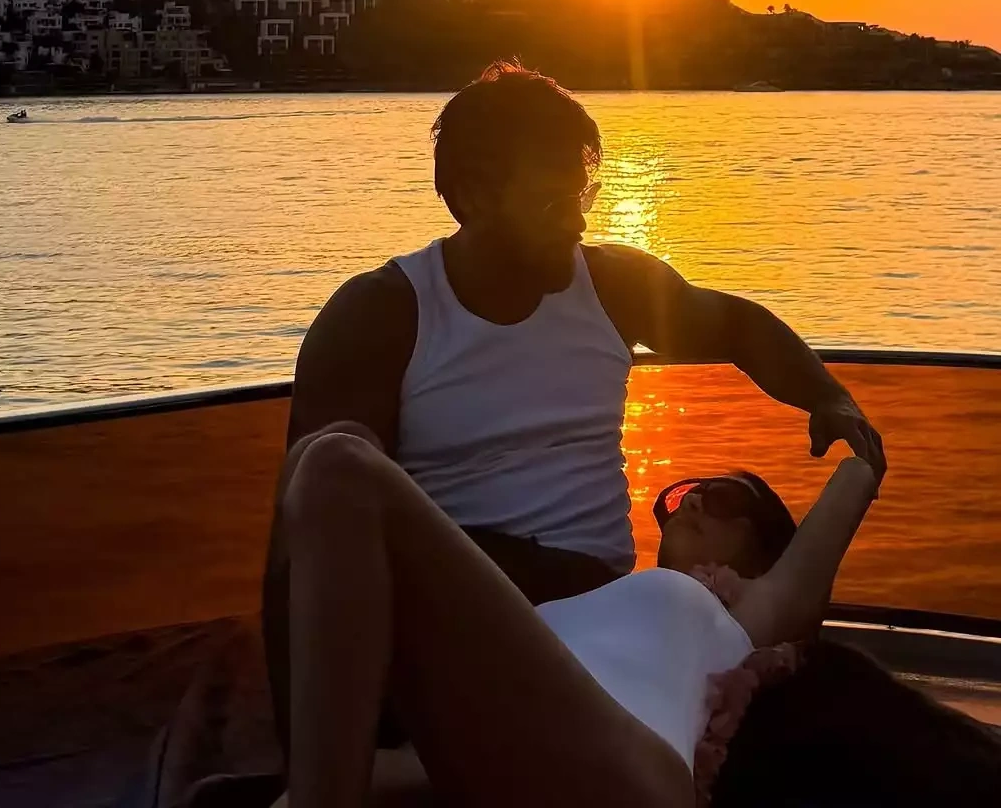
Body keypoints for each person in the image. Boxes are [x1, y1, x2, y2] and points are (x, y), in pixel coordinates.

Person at [267, 63, 885, 748]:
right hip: (457, 600)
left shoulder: (613, 286)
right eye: (550, 204)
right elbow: (309, 538)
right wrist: (302, 744)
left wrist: (826, 395)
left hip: (600, 600)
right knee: (333, 467)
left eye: (582, 195)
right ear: (471, 196)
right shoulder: (381, 316)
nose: (577, 221)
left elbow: (737, 326)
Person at [271, 423, 883, 808]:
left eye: (720, 498)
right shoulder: (602, 597)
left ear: (763, 549)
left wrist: (842, 426)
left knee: (337, 467)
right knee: (317, 455)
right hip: (508, 754)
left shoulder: (750, 612)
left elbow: (855, 481)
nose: (693, 499)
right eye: (680, 495)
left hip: (630, 774)